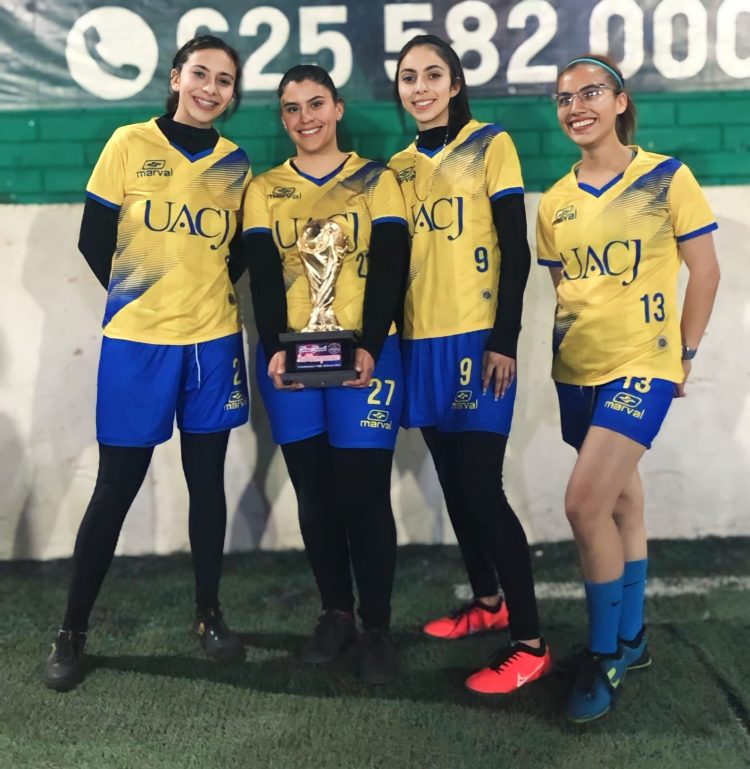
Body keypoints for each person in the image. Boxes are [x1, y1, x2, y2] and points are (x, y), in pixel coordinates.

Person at [43, 35, 252, 691]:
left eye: (224, 80)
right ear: (176, 77)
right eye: (201, 74)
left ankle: (209, 613)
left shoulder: (235, 163)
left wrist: (202, 297)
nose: (210, 88)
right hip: (136, 343)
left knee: (207, 483)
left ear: (232, 94)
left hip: (213, 343)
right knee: (116, 487)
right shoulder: (129, 143)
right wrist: (143, 297)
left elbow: (236, 255)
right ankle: (72, 630)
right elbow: (93, 239)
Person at [536, 54, 720, 722]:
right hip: (576, 370)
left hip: (644, 365)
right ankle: (633, 636)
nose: (576, 106)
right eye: (564, 98)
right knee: (619, 503)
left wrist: (684, 354)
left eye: (590, 92)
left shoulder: (667, 177)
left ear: (620, 101)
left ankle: (604, 651)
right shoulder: (554, 201)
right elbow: (565, 288)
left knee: (582, 504)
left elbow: (705, 272)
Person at [390, 34, 551, 695]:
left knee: (483, 486)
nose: (421, 87)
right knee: (454, 483)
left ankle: (531, 644)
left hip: (479, 341)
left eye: (433, 75)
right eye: (409, 77)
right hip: (419, 343)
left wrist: (504, 339)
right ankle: (488, 603)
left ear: (455, 84)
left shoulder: (492, 144)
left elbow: (515, 249)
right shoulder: (397, 167)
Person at [242, 65, 409, 684]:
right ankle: (336, 613)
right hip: (292, 359)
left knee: (364, 494)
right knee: (314, 493)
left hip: (367, 356)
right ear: (283, 118)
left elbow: (390, 265)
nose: (305, 118)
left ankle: (378, 627)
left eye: (316, 104)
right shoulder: (264, 189)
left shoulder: (377, 179)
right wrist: (273, 351)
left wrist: (371, 345)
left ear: (337, 109)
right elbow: (263, 277)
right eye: (292, 109)